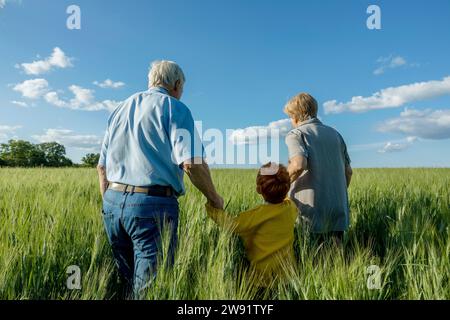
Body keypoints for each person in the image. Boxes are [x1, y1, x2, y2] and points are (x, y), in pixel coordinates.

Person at [97, 60, 223, 299]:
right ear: (176, 85)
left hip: (112, 203)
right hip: (152, 205)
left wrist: (110, 203)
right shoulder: (174, 108)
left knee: (125, 282)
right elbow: (191, 163)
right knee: (149, 289)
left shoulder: (120, 108)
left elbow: (101, 166)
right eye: (182, 88)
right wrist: (214, 198)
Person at [205, 162, 298, 293]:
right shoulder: (291, 208)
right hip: (287, 278)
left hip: (262, 280)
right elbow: (287, 198)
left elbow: (230, 224)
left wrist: (212, 209)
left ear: (259, 189)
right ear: (287, 188)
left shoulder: (255, 215)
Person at [284, 93, 352, 244]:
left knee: (310, 257)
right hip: (338, 209)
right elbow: (348, 172)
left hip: (310, 212)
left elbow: (298, 165)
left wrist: (279, 187)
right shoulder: (336, 135)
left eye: (290, 116)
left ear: (295, 116)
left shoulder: (296, 134)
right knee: (336, 261)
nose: (290, 121)